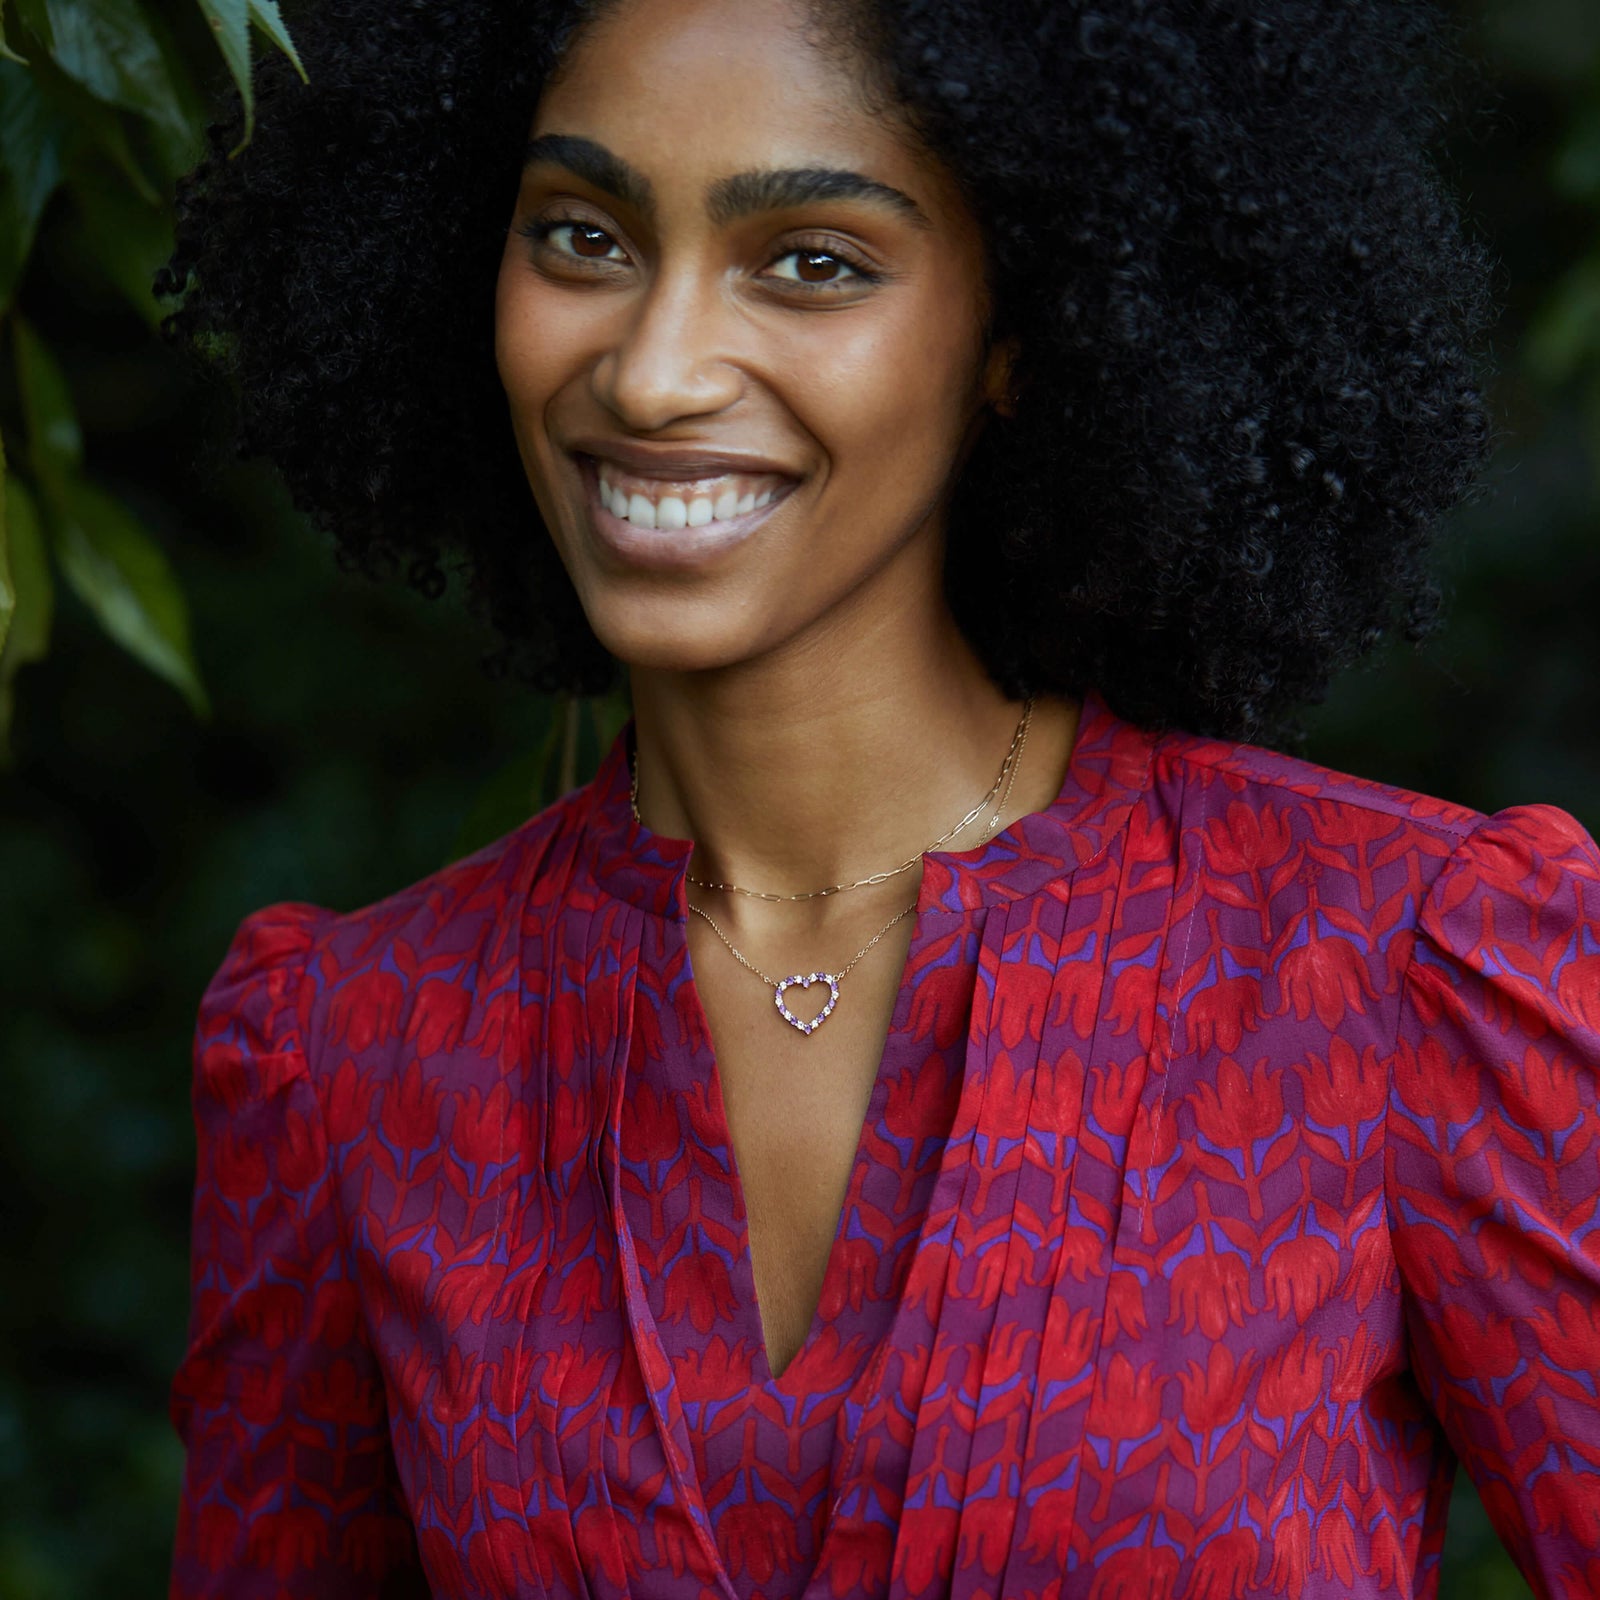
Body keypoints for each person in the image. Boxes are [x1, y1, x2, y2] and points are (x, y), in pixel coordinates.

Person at [160, 0, 1600, 1595]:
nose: (652, 371)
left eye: (813, 260)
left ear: (1019, 333)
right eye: (582, 236)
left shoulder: (1401, 970)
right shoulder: (355, 1048)